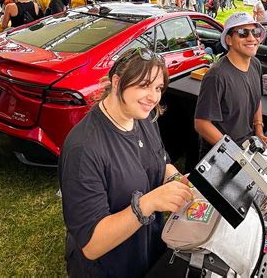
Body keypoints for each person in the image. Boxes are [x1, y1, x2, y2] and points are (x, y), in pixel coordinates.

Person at [58, 48, 192, 277]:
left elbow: (160, 162)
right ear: (117, 82)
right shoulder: (84, 149)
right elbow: (92, 245)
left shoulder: (144, 117)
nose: (153, 97)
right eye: (144, 85)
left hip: (149, 251)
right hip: (109, 268)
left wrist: (177, 180)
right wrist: (148, 203)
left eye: (158, 88)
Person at [194, 12, 267, 159]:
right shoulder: (216, 75)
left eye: (255, 32)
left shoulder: (255, 64)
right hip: (221, 155)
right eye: (242, 33)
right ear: (229, 40)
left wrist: (259, 132)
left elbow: (256, 99)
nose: (251, 38)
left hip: (247, 147)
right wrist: (235, 154)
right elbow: (201, 124)